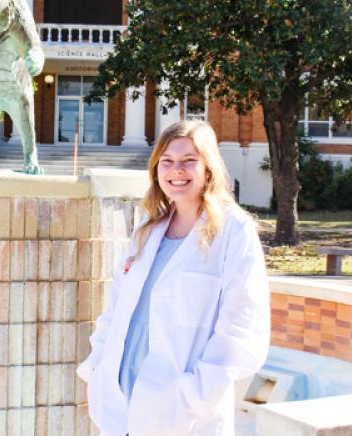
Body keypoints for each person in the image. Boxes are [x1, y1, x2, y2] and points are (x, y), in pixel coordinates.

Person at [77, 120, 270, 436]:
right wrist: (97, 365)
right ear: (156, 170)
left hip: (183, 414)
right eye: (166, 161)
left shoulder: (234, 230)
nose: (176, 170)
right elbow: (116, 309)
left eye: (188, 161)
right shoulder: (148, 229)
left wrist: (193, 395)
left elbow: (243, 326)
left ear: (208, 168)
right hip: (120, 403)